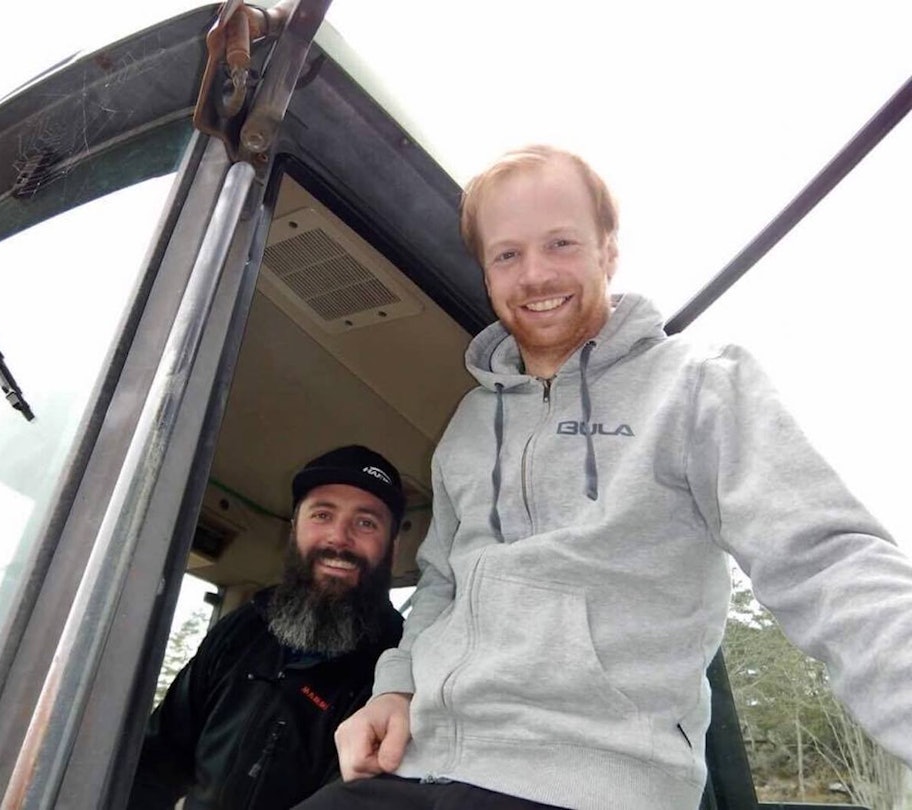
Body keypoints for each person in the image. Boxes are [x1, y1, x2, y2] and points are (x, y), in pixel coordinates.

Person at [294, 145, 912, 810]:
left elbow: (827, 559)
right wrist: (397, 687)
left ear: (607, 252)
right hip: (417, 770)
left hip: (596, 783)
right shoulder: (469, 425)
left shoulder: (699, 384)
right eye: (507, 255)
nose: (534, 274)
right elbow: (443, 583)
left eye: (560, 243)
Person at [127, 445, 406, 810]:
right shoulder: (243, 628)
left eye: (366, 522)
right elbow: (157, 757)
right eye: (322, 514)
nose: (339, 538)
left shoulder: (399, 673)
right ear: (294, 530)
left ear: (392, 548)